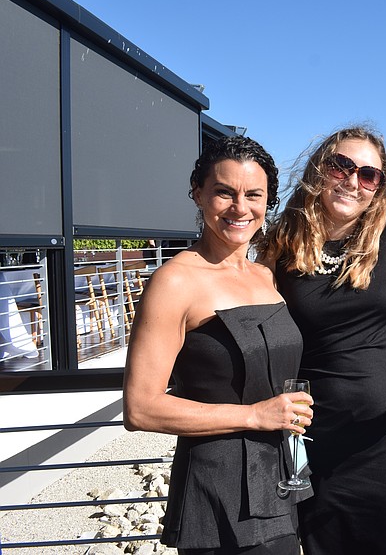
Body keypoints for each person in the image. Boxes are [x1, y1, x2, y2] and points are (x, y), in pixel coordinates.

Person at [123, 135, 313, 554]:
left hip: (282, 477)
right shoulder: (174, 282)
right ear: (198, 194)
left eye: (253, 194)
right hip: (216, 489)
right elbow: (140, 407)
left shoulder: (265, 275)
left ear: (269, 202)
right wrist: (254, 416)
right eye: (224, 192)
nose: (239, 207)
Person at [259, 127, 386, 555]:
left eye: (369, 175)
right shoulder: (280, 246)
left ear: (379, 188)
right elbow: (254, 330)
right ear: (320, 169)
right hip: (315, 442)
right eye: (342, 166)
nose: (353, 181)